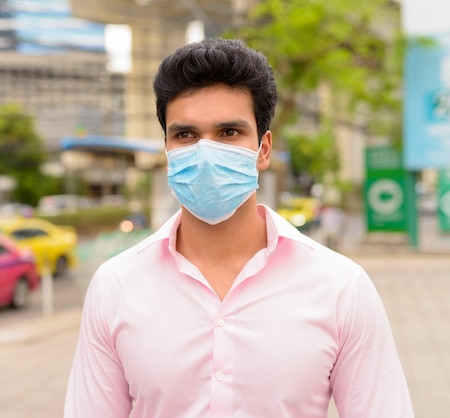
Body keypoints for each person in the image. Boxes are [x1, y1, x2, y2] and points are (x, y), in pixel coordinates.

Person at [64, 38, 413, 417]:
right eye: (186, 135)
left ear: (263, 149)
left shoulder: (341, 287)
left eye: (229, 133)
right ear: (166, 151)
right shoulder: (115, 285)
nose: (205, 151)